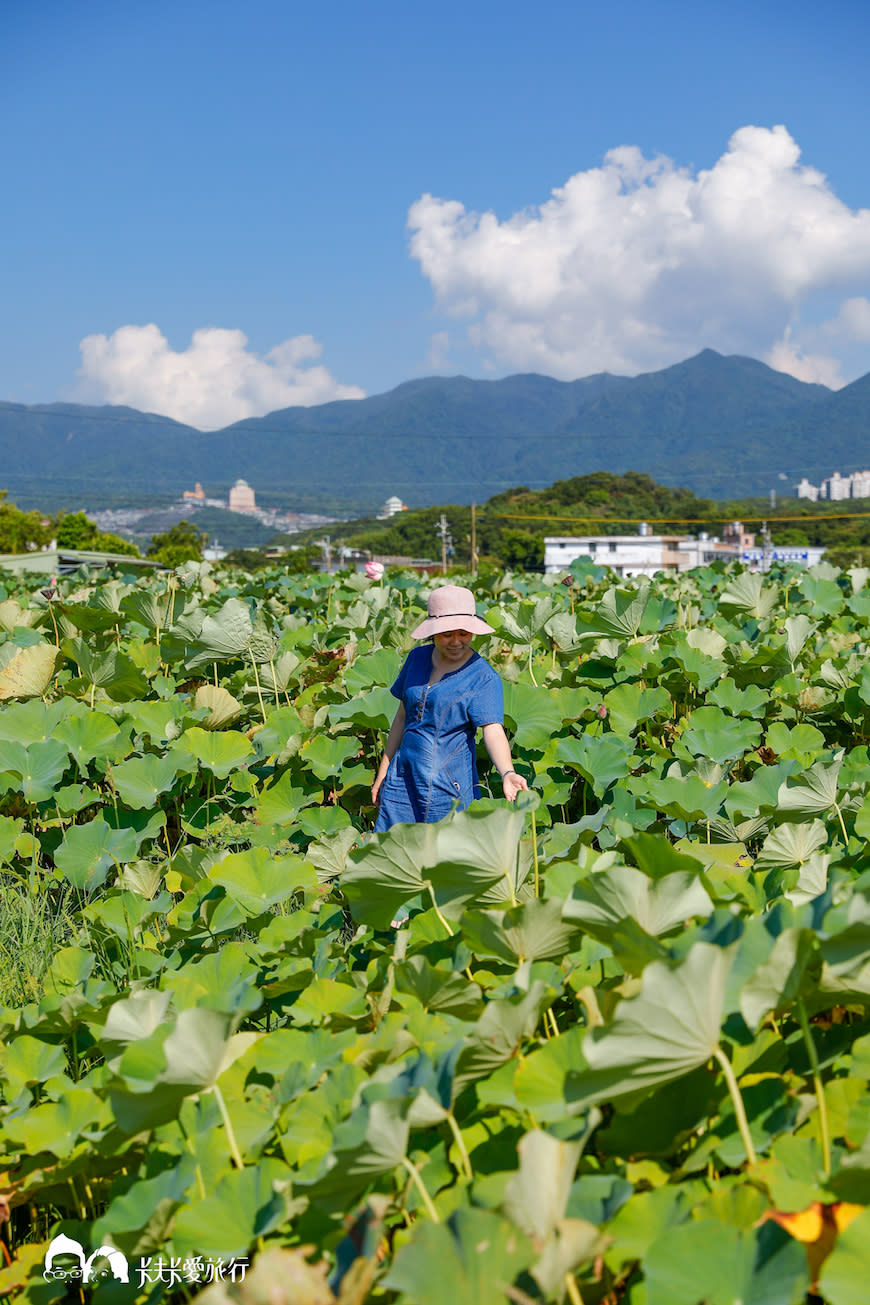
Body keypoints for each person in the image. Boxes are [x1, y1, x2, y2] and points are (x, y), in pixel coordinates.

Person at [372, 584, 528, 831]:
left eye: (464, 633)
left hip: (447, 786)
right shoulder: (416, 659)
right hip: (402, 780)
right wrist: (384, 771)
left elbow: (493, 730)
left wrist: (507, 772)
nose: (456, 641)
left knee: (444, 859)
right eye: (447, 634)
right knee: (394, 854)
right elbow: (402, 717)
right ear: (433, 633)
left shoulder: (483, 677)